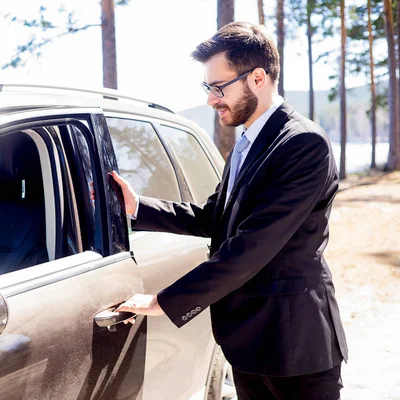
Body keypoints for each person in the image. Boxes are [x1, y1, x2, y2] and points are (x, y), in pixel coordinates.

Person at [113, 21, 348, 400]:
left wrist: (165, 300)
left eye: (219, 87)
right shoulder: (247, 144)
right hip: (248, 341)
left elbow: (252, 246)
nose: (211, 99)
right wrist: (137, 206)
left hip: (294, 345)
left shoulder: (303, 144)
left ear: (258, 78)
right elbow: (215, 219)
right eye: (208, 88)